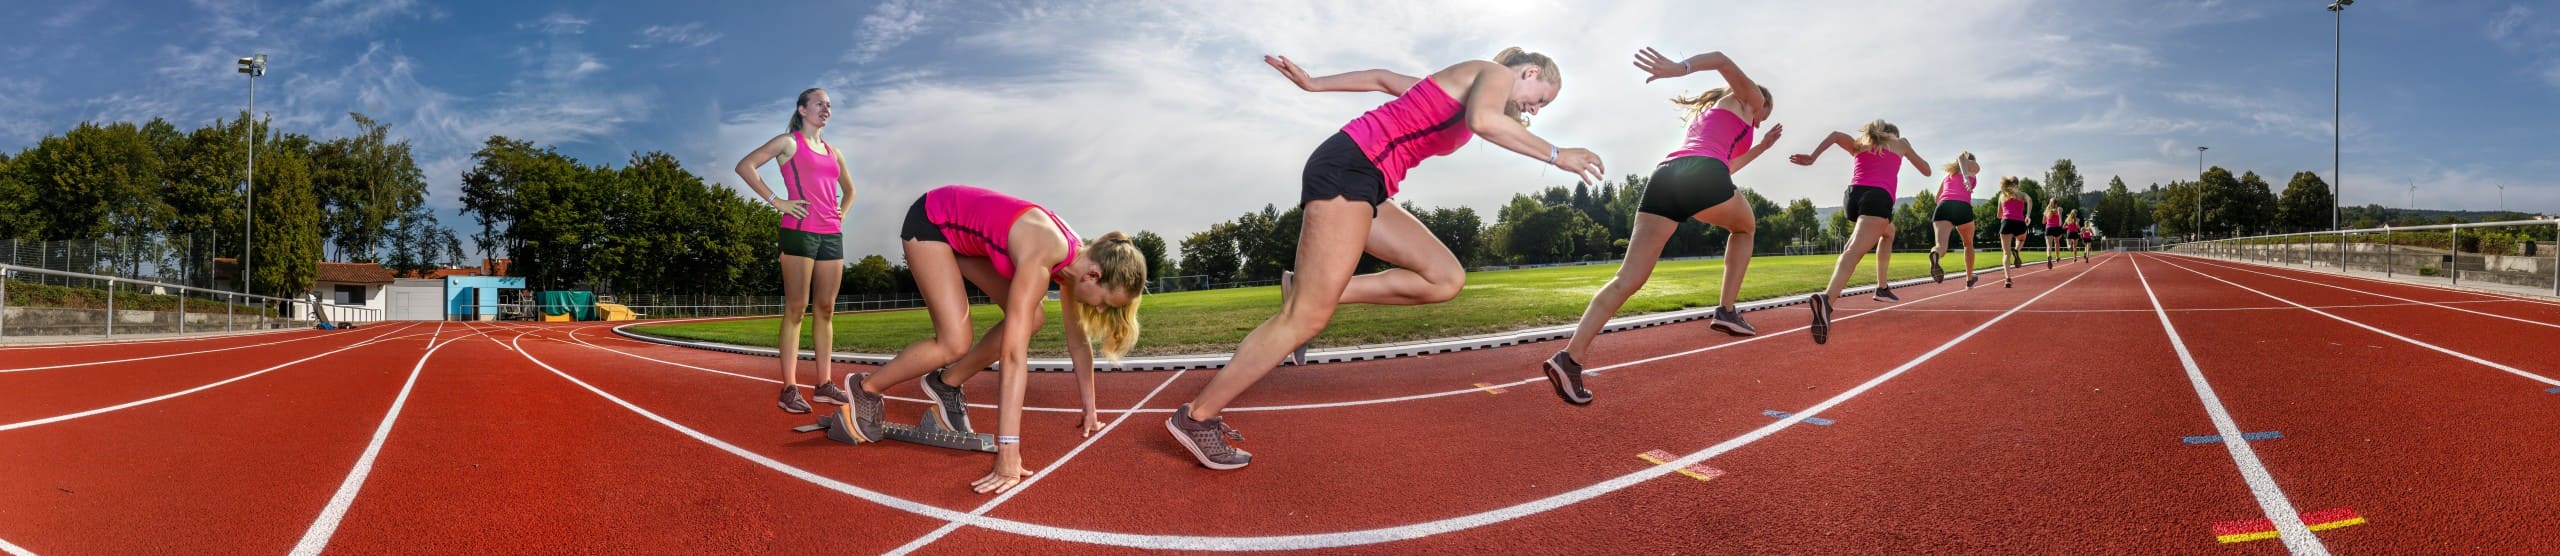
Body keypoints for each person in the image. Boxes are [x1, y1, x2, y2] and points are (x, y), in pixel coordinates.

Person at [1166, 48, 1606, 470]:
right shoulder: (1493, 72)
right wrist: (1556, 154)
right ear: (1529, 72)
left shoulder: (1460, 85)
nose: (1535, 110)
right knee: (1303, 320)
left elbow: (1382, 80)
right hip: (1349, 168)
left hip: (1369, 181)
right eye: (1541, 98)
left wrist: (1316, 84)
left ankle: (1303, 291)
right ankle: (1197, 416)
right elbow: (1485, 120)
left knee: (1444, 278)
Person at [834, 184, 1147, 494]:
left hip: (966, 240)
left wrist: (1090, 408)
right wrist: (1008, 452)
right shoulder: (1045, 252)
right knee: (954, 342)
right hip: (932, 222)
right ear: (1093, 275)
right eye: (1105, 301)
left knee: (1034, 317)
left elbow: (1077, 342)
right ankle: (865, 388)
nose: (1100, 308)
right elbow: (1013, 356)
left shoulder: (1074, 264)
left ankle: (947, 383)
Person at [1541, 48, 1781, 406]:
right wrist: (1678, 68)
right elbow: (1721, 60)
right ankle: (1726, 310)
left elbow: (1726, 169)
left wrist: (1761, 146)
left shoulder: (1714, 117)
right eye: (1764, 116)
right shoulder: (1750, 97)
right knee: (1745, 228)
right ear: (1759, 102)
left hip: (1667, 178)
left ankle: (1570, 358)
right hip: (1701, 175)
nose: (1760, 120)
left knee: (1628, 279)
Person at [734, 87, 857, 414]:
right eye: (819, 104)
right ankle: (789, 388)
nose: (826, 109)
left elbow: (850, 190)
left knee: (827, 309)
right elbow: (746, 166)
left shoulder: (833, 151)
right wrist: (778, 202)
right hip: (799, 233)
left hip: (831, 235)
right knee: (797, 308)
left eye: (829, 105)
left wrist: (840, 214)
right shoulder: (788, 142)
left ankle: (824, 385)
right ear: (802, 109)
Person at [1791, 120, 1930, 344]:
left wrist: (1813, 157)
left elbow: (1836, 134)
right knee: (1853, 250)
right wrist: (1907, 148)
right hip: (1877, 197)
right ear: (1893, 134)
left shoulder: (1860, 144)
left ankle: (1882, 288)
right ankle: (1827, 301)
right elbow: (1926, 171)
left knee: (1888, 232)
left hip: (1853, 198)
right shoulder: (1900, 143)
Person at [1927, 152, 1982, 288]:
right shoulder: (1973, 168)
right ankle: (1969, 279)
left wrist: (1947, 206)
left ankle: (1935, 254)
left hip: (1943, 206)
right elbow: (1962, 158)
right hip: (1962, 207)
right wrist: (1965, 177)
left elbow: (1936, 198)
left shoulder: (1947, 177)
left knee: (1941, 247)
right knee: (1968, 244)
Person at [1993, 177, 2030, 288]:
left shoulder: (2002, 195)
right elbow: (2030, 200)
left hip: (2006, 222)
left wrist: (2006, 214)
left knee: (2005, 253)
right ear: (2017, 184)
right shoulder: (2021, 194)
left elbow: (1999, 215)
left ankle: (2008, 279)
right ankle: (2017, 250)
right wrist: (2027, 215)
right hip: (2019, 222)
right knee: (2021, 238)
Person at [2042, 201, 2065, 270]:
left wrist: (2048, 216)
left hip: (2049, 228)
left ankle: (2049, 256)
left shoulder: (2047, 210)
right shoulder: (2059, 209)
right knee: (2057, 242)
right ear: (2056, 204)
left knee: (2049, 246)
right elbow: (2060, 218)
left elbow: (2043, 222)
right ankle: (2057, 257)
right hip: (2057, 228)